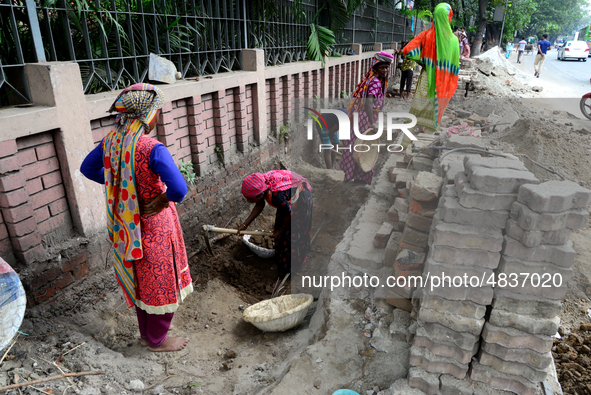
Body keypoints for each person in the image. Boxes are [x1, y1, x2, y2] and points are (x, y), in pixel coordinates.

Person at [80, 83, 193, 352]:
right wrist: (162, 199)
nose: (158, 116)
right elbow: (179, 189)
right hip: (153, 221)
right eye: (157, 112)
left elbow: (88, 168)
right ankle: (157, 341)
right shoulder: (152, 148)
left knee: (141, 278)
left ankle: (148, 334)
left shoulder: (111, 142)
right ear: (147, 115)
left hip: (126, 224)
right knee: (160, 280)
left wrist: (120, 187)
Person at [238, 171, 313, 279]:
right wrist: (244, 225)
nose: (247, 200)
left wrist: (281, 231)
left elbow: (289, 213)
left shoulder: (276, 196)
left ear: (261, 194)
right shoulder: (263, 187)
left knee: (292, 236)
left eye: (249, 198)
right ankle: (280, 260)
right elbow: (259, 205)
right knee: (278, 230)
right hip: (287, 201)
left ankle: (289, 268)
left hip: (301, 200)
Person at [402, 3, 459, 132]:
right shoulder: (454, 41)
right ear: (448, 17)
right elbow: (454, 66)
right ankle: (428, 132)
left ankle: (410, 134)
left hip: (426, 77)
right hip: (442, 81)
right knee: (435, 106)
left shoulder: (426, 35)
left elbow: (407, 50)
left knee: (419, 105)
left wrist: (425, 63)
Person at [339, 51, 394, 184]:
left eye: (386, 67)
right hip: (365, 119)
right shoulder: (375, 82)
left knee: (354, 145)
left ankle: (349, 174)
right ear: (375, 67)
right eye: (382, 67)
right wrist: (372, 123)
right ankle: (361, 177)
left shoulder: (370, 79)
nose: (385, 70)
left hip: (360, 117)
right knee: (365, 146)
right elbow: (369, 102)